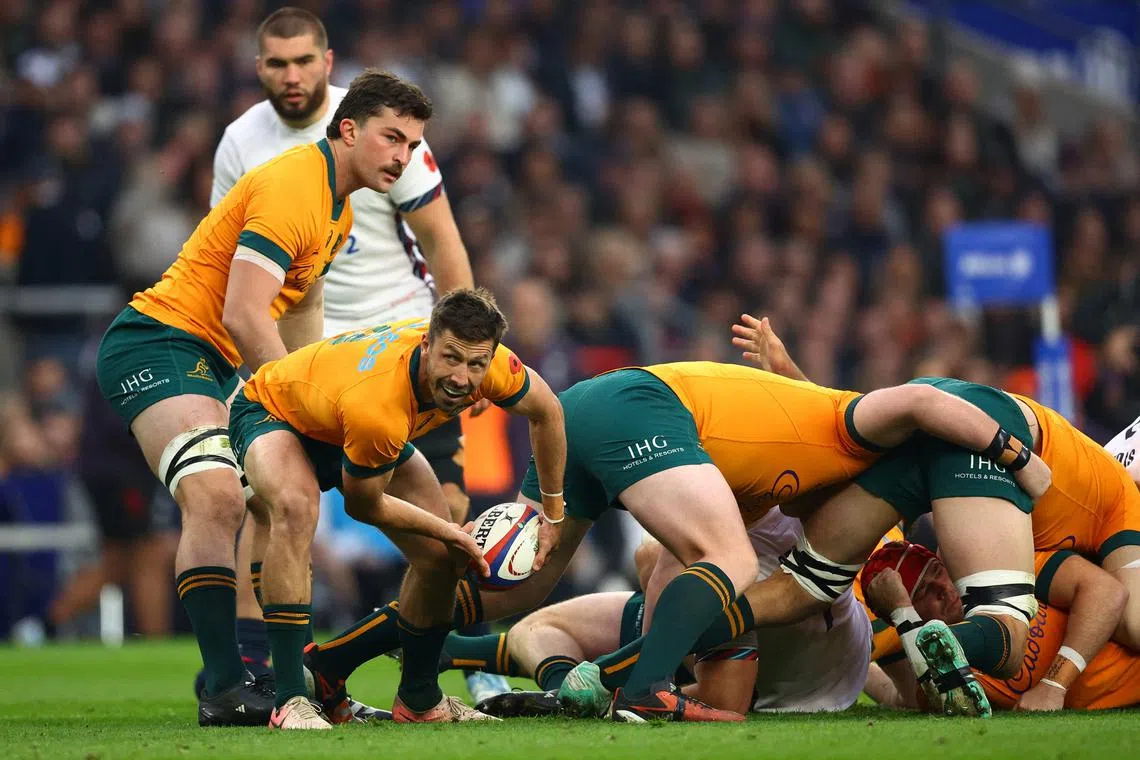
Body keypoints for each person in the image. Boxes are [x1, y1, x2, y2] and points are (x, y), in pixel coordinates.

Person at [302, 357, 1049, 723]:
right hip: (641, 406)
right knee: (719, 559)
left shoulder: (815, 466)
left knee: (519, 584)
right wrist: (1018, 458)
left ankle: (334, 661)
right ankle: (646, 687)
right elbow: (924, 398)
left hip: (586, 411)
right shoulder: (854, 424)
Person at [94, 68, 431, 726]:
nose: (403, 156)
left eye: (413, 146)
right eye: (393, 137)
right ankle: (223, 686)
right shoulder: (292, 186)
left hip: (213, 360)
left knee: (273, 496)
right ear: (350, 129)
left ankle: (269, 674)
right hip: (158, 343)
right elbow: (246, 313)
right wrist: (297, 405)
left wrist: (318, 390)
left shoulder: (337, 204)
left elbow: (300, 304)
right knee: (216, 493)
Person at [210, 7, 502, 706]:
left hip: (409, 355)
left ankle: (437, 674)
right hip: (308, 356)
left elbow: (442, 240)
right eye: (278, 63)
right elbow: (234, 266)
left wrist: (465, 354)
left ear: (328, 60)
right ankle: (261, 673)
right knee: (274, 506)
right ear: (259, 68)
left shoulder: (382, 127)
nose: (293, 75)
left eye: (304, 60)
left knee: (445, 514)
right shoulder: (241, 142)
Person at [706, 314, 1138, 717]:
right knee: (1004, 631)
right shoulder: (995, 551)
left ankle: (679, 632)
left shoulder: (971, 549)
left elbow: (853, 444)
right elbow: (1108, 595)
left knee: (802, 588)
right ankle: (684, 629)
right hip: (980, 426)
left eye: (935, 578)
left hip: (972, 424)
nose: (943, 598)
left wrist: (1053, 684)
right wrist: (906, 621)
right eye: (930, 592)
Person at [229, 289, 566, 728]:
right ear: (426, 345)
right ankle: (292, 697)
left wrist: (552, 515)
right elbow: (363, 504)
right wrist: (449, 530)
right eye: (450, 358)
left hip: (338, 417)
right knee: (295, 509)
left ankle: (420, 699)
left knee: (445, 560)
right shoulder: (378, 408)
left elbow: (549, 412)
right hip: (271, 411)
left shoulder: (493, 367)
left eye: (475, 364)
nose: (462, 378)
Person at [442, 507, 873, 717]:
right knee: (535, 629)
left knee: (676, 571)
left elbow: (728, 705)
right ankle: (563, 692)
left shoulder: (828, 531)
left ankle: (616, 689)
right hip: (697, 620)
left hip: (768, 665)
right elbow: (650, 558)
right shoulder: (731, 505)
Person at [860, 540, 1135, 712]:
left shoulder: (1007, 566)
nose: (943, 589)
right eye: (924, 593)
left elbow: (1107, 591)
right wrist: (902, 614)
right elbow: (914, 700)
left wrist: (1054, 685)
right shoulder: (937, 667)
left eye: (937, 572)